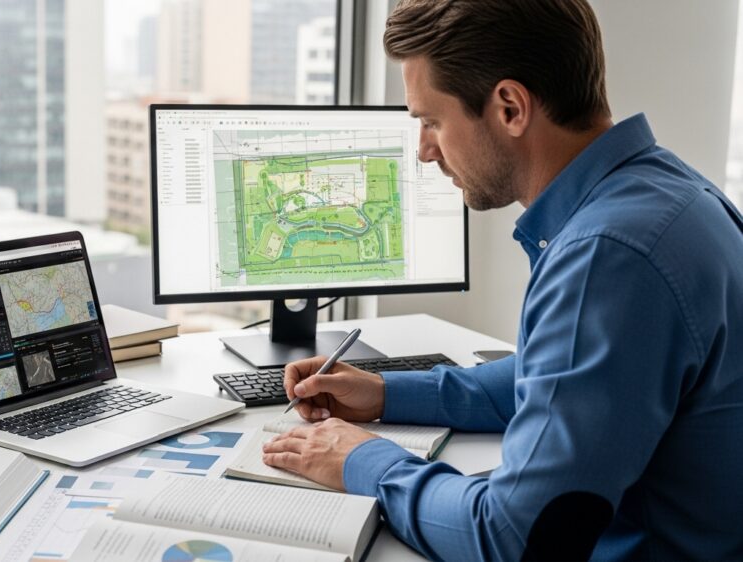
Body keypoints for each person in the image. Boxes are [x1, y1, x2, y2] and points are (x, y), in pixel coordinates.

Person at [261, 0, 743, 559]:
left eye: (431, 121)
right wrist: (386, 394)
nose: (423, 151)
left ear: (510, 107)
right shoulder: (669, 194)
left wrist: (363, 461)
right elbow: (563, 380)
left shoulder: (607, 256)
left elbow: (513, 537)